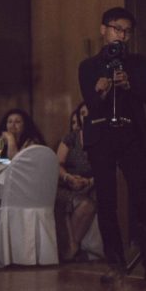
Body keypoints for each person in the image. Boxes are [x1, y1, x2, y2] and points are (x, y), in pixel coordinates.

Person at [78, 7, 146, 283]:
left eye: (127, 31)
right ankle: (115, 264)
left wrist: (129, 84)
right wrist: (100, 90)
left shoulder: (138, 63)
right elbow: (91, 104)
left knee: (144, 197)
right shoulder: (88, 66)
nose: (122, 35)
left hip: (131, 136)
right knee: (106, 202)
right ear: (103, 29)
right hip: (101, 137)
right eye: (117, 29)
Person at [56, 103, 97, 263]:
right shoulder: (71, 138)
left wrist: (89, 181)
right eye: (82, 113)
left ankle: (69, 249)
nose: (85, 116)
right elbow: (57, 164)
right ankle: (71, 249)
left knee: (88, 205)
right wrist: (68, 178)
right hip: (66, 185)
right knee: (72, 203)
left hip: (90, 185)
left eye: (89, 112)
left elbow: (108, 169)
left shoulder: (103, 138)